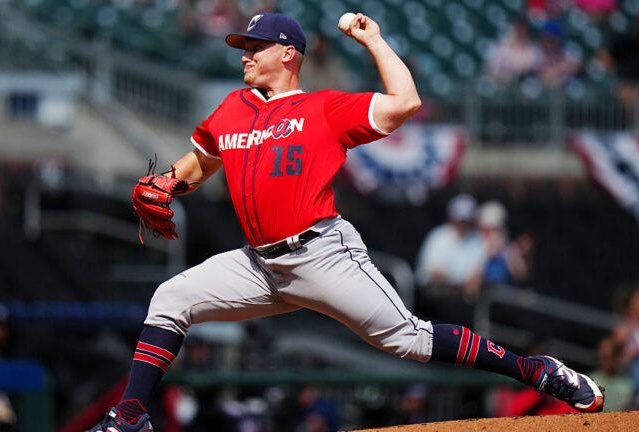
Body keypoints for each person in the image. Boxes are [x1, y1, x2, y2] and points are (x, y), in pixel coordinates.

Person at [86, 12, 603, 432]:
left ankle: (540, 371)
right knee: (170, 299)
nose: (244, 53)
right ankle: (130, 416)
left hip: (321, 253)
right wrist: (169, 181)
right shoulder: (232, 109)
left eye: (255, 46)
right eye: (244, 45)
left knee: (411, 340)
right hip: (259, 264)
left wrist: (374, 41)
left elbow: (407, 103)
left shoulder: (323, 109)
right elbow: (204, 159)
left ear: (288, 53)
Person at [415, 194, 486, 298]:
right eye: (459, 220)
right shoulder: (438, 236)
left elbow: (475, 277)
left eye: (466, 221)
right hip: (433, 295)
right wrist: (461, 282)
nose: (462, 224)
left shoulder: (477, 240)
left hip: (462, 297)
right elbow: (434, 273)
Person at [476, 200, 533, 287]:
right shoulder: (473, 246)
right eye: (483, 229)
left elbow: (521, 274)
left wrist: (520, 255)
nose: (488, 234)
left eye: (493, 230)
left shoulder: (508, 251)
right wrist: (486, 256)